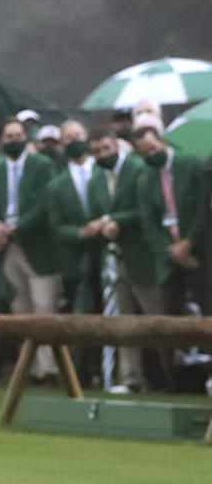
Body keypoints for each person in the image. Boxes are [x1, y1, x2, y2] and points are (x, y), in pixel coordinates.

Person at [0, 117, 58, 381]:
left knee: (44, 305)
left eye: (18, 136)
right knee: (20, 309)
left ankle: (47, 368)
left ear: (26, 138)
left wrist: (19, 227)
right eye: (9, 136)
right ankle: (28, 368)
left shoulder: (42, 165)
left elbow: (45, 203)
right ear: (1, 140)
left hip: (37, 246)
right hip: (8, 248)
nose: (13, 140)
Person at [86, 127, 158, 393]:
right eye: (96, 151)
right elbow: (100, 211)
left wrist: (115, 221)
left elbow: (145, 209)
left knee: (156, 319)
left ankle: (167, 376)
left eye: (106, 148)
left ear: (116, 145)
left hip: (143, 256)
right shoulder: (96, 180)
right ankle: (130, 378)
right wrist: (99, 225)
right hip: (114, 258)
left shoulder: (137, 169)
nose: (102, 154)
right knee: (123, 322)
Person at [132, 126, 206, 317]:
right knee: (170, 314)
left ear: (162, 142)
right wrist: (171, 251)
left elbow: (203, 207)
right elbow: (148, 222)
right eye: (144, 153)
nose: (150, 154)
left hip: (200, 252)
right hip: (168, 257)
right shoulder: (145, 178)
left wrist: (188, 243)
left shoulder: (190, 163)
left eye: (153, 148)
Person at [47, 120, 100, 384]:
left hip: (108, 255)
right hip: (77, 261)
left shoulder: (102, 172)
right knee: (80, 315)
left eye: (77, 135)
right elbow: (56, 226)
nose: (73, 141)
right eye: (67, 138)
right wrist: (80, 233)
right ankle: (79, 374)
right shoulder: (57, 185)